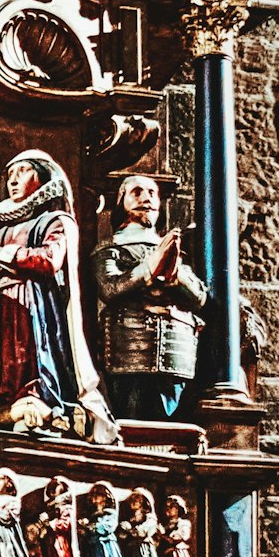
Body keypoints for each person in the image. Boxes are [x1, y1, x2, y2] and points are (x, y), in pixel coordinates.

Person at [0, 150, 117, 443]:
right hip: (0, 303)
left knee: (27, 356)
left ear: (44, 176)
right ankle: (1, 403)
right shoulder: (4, 227)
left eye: (22, 172)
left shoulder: (56, 220)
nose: (13, 181)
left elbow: (50, 259)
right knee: (1, 361)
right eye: (9, 175)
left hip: (32, 305)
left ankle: (37, 398)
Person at [91, 174, 207, 421]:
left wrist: (174, 275)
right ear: (122, 202)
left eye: (152, 193)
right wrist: (148, 269)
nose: (147, 198)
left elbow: (199, 296)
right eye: (136, 192)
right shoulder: (111, 247)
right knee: (133, 420)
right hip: (131, 351)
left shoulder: (169, 247)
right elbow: (110, 289)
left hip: (176, 352)